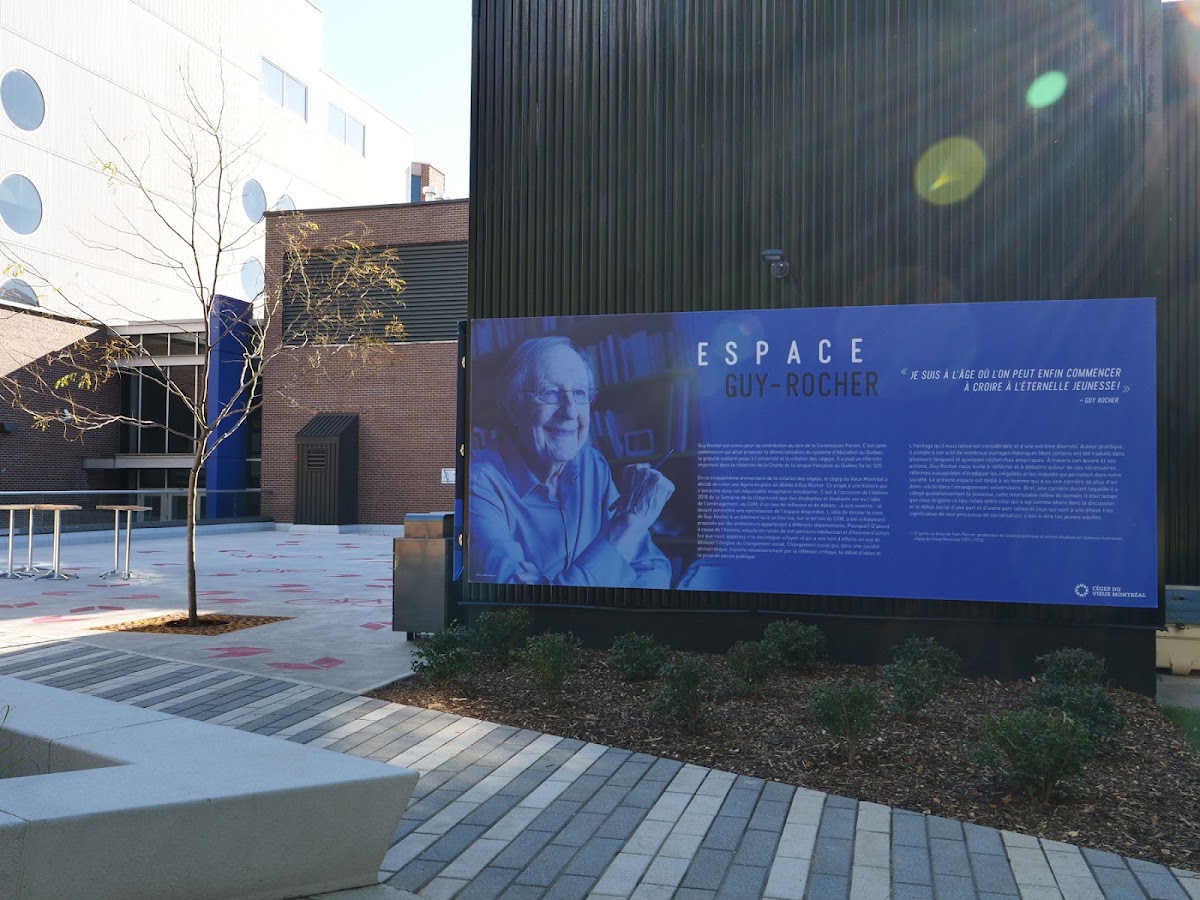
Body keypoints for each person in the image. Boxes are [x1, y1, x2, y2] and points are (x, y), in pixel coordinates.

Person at [469, 335, 674, 587]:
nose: (570, 411)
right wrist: (627, 523)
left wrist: (551, 589)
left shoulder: (592, 464)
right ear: (512, 407)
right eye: (549, 392)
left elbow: (651, 567)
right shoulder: (479, 485)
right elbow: (515, 604)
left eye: (579, 393)